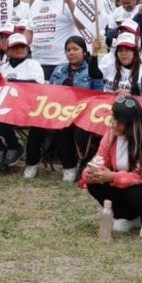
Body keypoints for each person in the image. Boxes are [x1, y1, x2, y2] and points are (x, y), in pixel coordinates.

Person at [81, 95, 142, 238]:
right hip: (123, 183)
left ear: (131, 124)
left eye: (120, 122)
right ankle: (126, 216)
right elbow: (100, 159)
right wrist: (90, 173)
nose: (114, 125)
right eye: (114, 118)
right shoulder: (110, 136)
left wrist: (112, 176)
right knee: (95, 184)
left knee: (136, 192)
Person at [25, 36, 104, 181]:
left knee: (64, 127)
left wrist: (95, 54)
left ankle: (69, 167)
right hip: (55, 109)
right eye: (68, 50)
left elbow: (99, 94)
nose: (71, 53)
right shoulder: (59, 69)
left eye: (75, 49)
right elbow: (50, 91)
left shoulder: (92, 70)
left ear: (84, 52)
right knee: (36, 125)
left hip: (79, 114)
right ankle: (31, 163)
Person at [0, 33, 44, 171]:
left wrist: (8, 83)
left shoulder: (33, 65)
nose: (19, 49)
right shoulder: (3, 67)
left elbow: (36, 85)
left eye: (22, 46)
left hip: (26, 107)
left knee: (0, 114)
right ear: (8, 50)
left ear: (27, 48)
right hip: (3, 107)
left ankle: (14, 146)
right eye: (15, 47)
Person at [27, 0, 82, 80]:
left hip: (61, 62)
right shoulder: (36, 3)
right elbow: (30, 31)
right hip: (37, 62)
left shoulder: (67, 0)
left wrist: (69, 2)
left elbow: (81, 25)